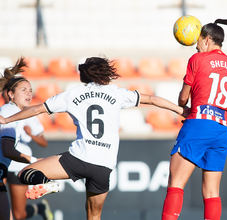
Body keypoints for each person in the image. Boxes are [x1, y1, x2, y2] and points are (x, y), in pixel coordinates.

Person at [0, 57, 186, 220]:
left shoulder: (73, 94)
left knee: (25, 174)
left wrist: (7, 119)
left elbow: (37, 109)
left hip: (79, 158)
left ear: (84, 75)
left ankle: (50, 184)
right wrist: (179, 110)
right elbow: (152, 99)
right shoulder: (117, 93)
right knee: (94, 216)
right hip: (104, 166)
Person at [161, 14, 227, 220]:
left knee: (176, 183)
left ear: (206, 39)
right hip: (222, 130)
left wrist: (183, 103)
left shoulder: (197, 59)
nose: (196, 48)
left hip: (199, 123)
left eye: (198, 44)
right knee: (212, 193)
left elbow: (182, 99)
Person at [0, 58, 43, 220]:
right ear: (11, 94)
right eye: (23, 90)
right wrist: (36, 161)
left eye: (30, 90)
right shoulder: (9, 113)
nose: (29, 94)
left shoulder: (12, 112)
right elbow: (8, 150)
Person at [1, 88, 53, 220]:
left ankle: (40, 208)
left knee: (19, 214)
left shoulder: (28, 114)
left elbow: (43, 142)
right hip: (4, 162)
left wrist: (31, 135)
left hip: (19, 163)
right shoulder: (3, 111)